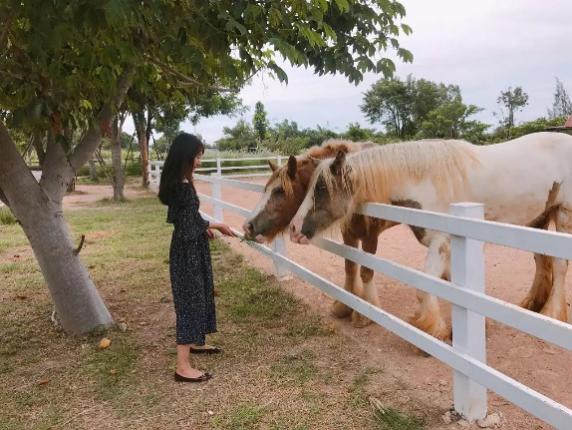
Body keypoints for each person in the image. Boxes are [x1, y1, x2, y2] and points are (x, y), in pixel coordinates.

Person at [158, 132, 235, 383]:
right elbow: (186, 224)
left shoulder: (179, 183)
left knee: (200, 294)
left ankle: (195, 342)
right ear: (185, 157)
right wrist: (215, 225)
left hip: (190, 248)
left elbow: (188, 219)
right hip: (187, 251)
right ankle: (182, 366)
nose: (199, 161)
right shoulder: (181, 188)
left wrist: (207, 227)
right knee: (190, 302)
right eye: (197, 156)